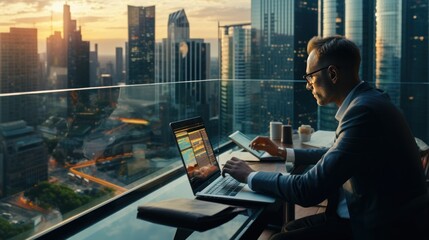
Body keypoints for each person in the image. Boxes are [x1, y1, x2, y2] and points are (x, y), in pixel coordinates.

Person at [222, 35, 429, 240]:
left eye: (310, 76)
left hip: (379, 228)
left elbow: (308, 189)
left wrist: (249, 175)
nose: (308, 85)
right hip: (380, 215)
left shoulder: (363, 112)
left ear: (332, 74)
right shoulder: (371, 100)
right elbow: (337, 152)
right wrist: (283, 152)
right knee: (288, 229)